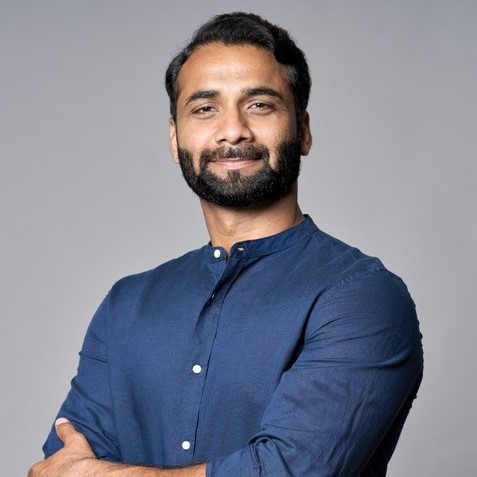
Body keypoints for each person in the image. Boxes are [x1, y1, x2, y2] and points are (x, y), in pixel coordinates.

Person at [28, 12, 423, 477]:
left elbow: (288, 471)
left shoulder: (362, 296)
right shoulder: (126, 304)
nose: (233, 130)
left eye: (260, 105)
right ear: (175, 138)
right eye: (205, 109)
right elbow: (63, 462)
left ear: (303, 131)